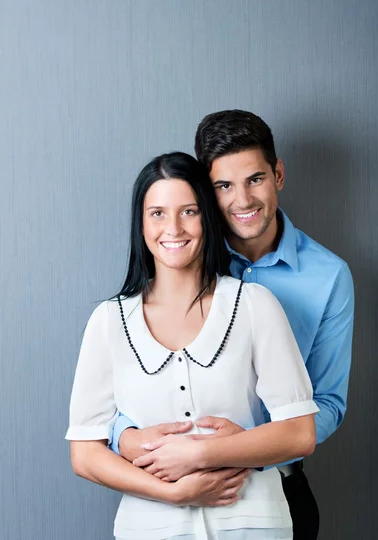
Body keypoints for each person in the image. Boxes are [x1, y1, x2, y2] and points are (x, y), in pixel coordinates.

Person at [112, 111, 354, 540]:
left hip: (277, 489)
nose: (242, 200)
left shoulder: (329, 276)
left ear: (277, 174)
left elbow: (328, 402)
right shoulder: (180, 254)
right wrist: (127, 438)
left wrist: (242, 449)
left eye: (255, 179)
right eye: (223, 185)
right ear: (207, 191)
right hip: (169, 490)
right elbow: (130, 369)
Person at [66, 151, 319, 540]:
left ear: (208, 217)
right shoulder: (108, 322)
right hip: (149, 527)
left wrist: (199, 453)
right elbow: (85, 454)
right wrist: (172, 492)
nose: (173, 228)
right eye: (157, 213)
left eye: (189, 211)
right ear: (141, 223)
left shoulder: (255, 305)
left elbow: (300, 433)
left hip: (253, 523)